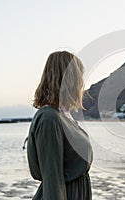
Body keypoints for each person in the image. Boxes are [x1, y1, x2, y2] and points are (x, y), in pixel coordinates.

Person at [27, 51, 93, 200]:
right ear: (70, 79)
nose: (82, 82)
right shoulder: (49, 118)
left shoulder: (65, 117)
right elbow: (52, 180)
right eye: (79, 76)